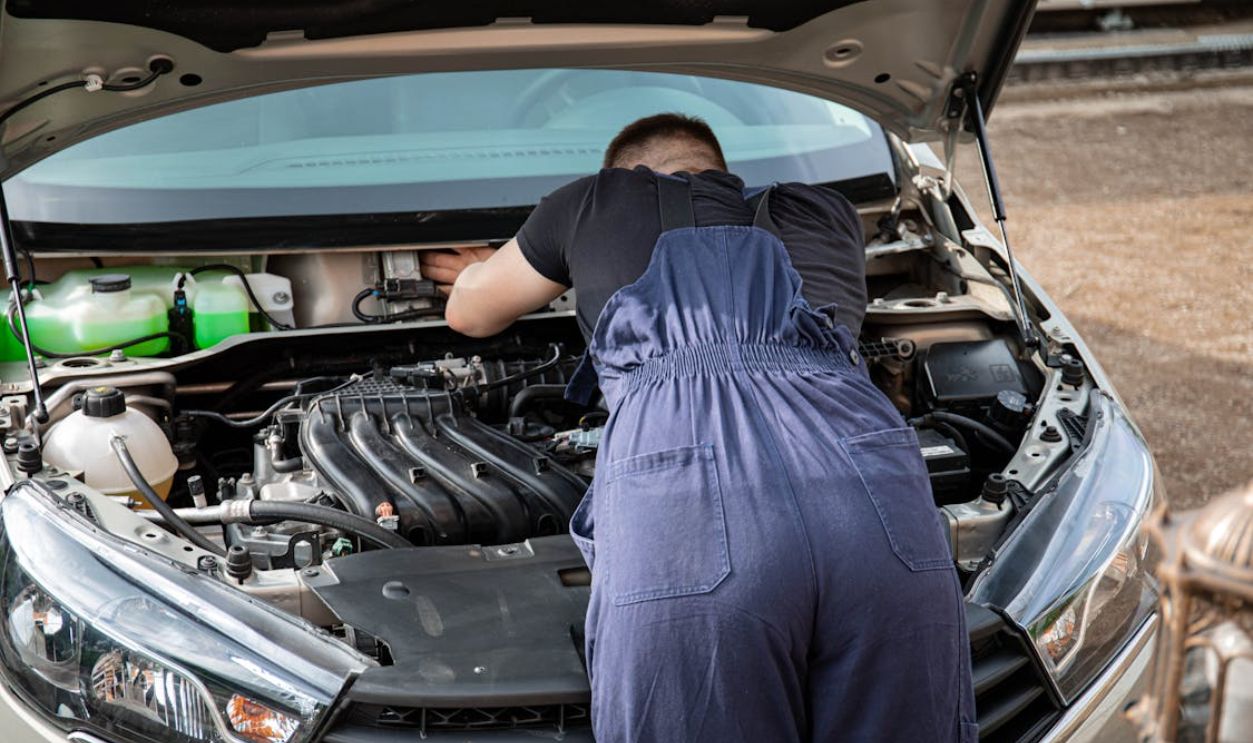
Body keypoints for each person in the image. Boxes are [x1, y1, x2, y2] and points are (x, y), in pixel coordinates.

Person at [420, 113, 976, 743]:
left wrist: (490, 264)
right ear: (720, 170)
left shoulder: (590, 201)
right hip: (868, 482)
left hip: (689, 484)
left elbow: (470, 312)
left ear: (626, 174)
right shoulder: (827, 212)